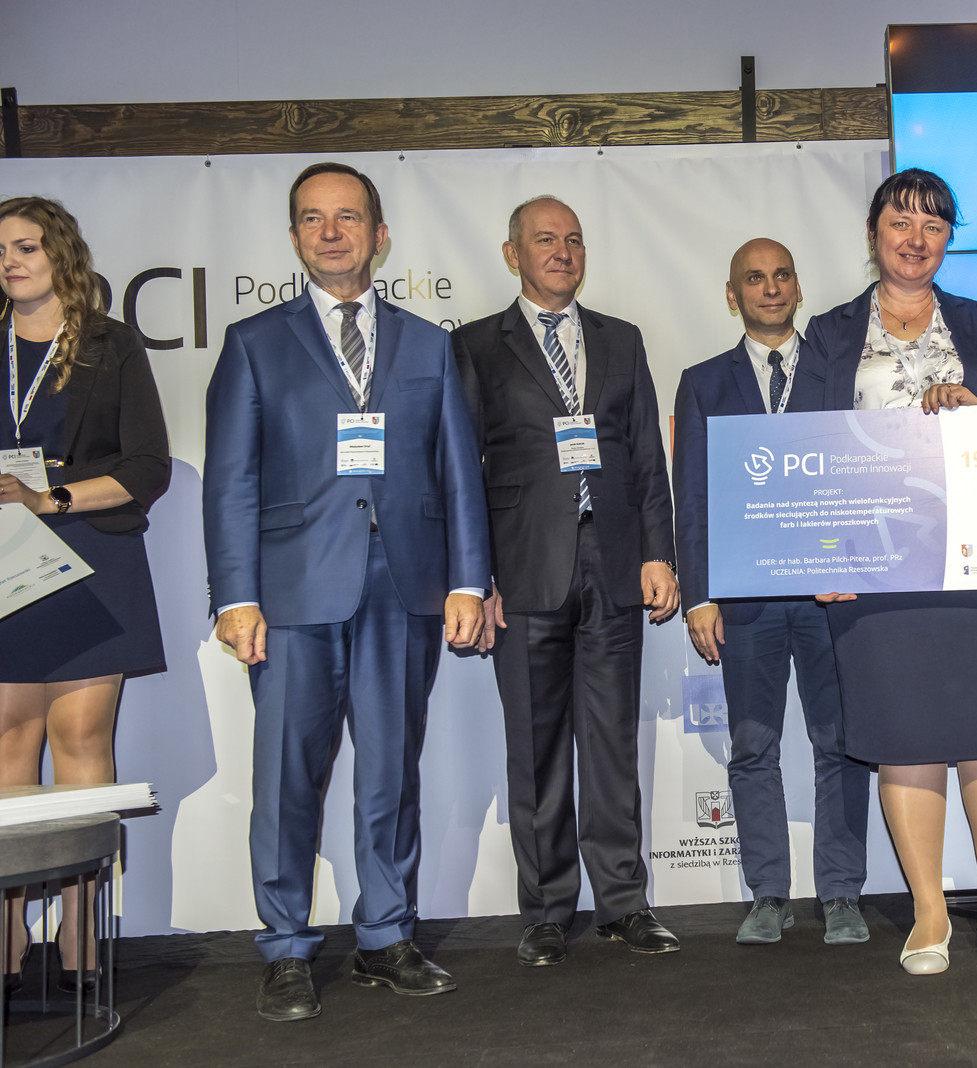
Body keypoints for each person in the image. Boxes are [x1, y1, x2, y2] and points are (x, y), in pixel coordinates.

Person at [203, 162, 491, 1021]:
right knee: (287, 779)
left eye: (348, 217)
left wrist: (467, 579)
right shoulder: (254, 342)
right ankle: (287, 947)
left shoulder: (429, 344)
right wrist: (234, 597)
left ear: (380, 234)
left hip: (403, 586)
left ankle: (385, 937)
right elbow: (230, 481)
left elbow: (459, 471)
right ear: (295, 236)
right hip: (292, 593)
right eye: (313, 218)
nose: (331, 232)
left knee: (391, 773)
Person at [794, 168, 977, 974]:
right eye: (901, 222)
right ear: (874, 233)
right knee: (904, 737)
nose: (916, 238)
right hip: (874, 571)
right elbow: (806, 449)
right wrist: (820, 554)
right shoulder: (830, 333)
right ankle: (929, 911)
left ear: (948, 240)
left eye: (934, 226)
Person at [451, 195, 680, 968]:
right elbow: (461, 470)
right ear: (512, 253)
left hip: (613, 562)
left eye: (574, 239)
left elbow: (645, 454)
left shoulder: (621, 339)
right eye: (545, 239)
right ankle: (547, 908)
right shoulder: (475, 346)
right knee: (536, 746)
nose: (562, 251)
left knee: (612, 744)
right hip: (521, 569)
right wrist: (473, 576)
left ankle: (623, 903)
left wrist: (658, 552)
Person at [673, 238, 871, 946]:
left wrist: (862, 571)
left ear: (798, 287)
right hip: (744, 599)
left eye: (781, 275)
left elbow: (862, 476)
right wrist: (698, 595)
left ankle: (841, 894)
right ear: (733, 296)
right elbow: (691, 496)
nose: (770, 287)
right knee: (754, 746)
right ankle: (768, 894)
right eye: (754, 279)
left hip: (828, 596)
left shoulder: (838, 372)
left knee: (839, 743)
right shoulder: (703, 383)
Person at [0, 196, 169, 993]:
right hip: (6, 567)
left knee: (78, 738)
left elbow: (147, 468)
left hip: (90, 557)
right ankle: (5, 938)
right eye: (1, 250)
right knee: (7, 746)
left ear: (61, 254)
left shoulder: (110, 344)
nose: (10, 260)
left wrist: (51, 498)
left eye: (25, 246)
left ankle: (81, 937)